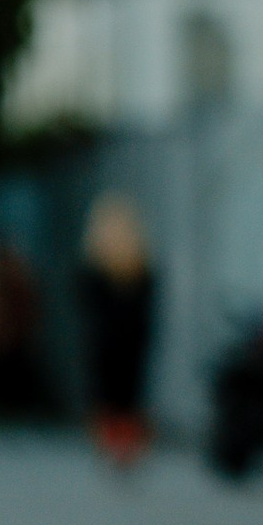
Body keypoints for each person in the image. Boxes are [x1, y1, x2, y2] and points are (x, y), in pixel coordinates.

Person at [78, 192, 158, 466]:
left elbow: (85, 304)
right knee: (130, 392)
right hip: (135, 336)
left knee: (107, 392)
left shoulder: (94, 261)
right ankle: (129, 444)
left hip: (104, 337)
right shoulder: (141, 261)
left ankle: (111, 444)